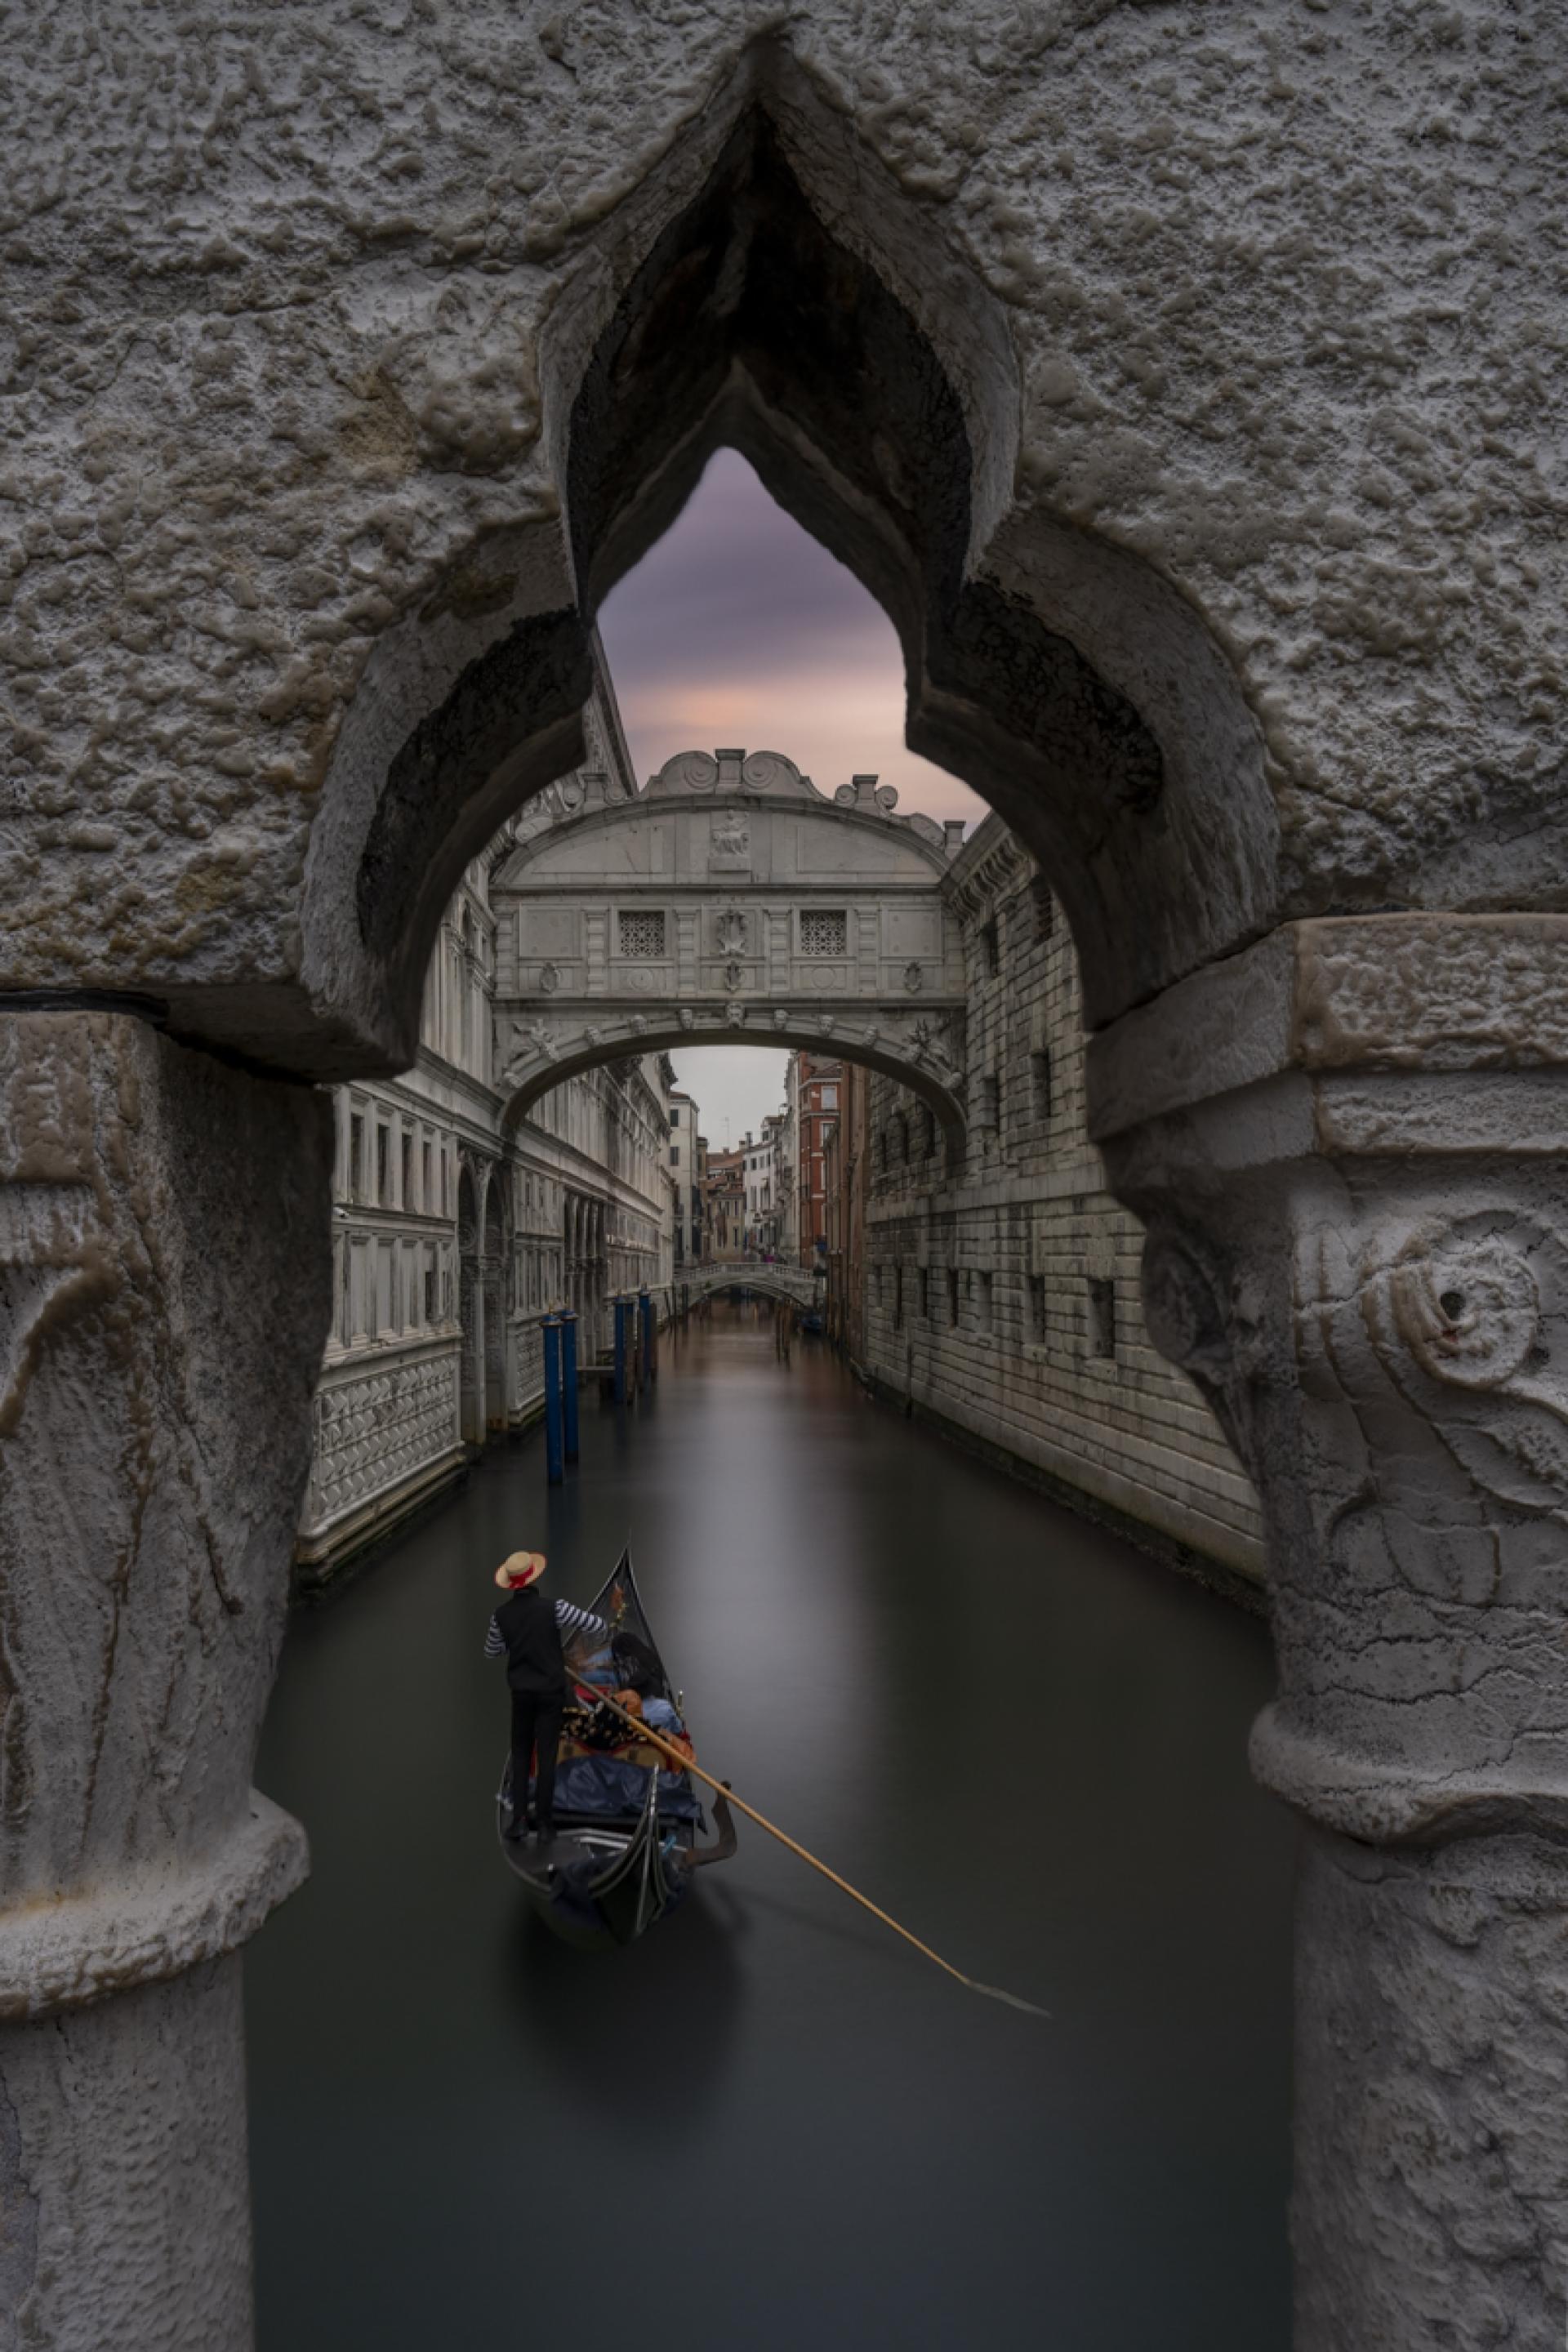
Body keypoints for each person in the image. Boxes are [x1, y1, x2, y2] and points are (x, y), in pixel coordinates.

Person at [483, 1551, 606, 1843]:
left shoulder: (500, 1616)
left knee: (522, 1754)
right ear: (533, 1577)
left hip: (521, 1695)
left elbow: (492, 1651)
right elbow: (597, 1626)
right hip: (551, 1694)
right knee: (547, 1756)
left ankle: (520, 1821)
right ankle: (546, 1826)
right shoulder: (555, 1609)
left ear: (511, 1584)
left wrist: (517, 1641)